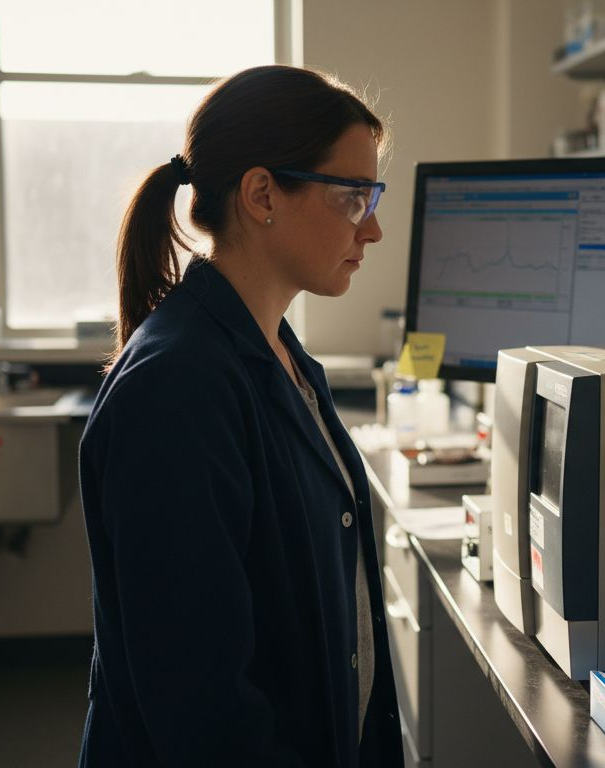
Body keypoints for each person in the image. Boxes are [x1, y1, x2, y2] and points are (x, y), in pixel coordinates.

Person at [77, 65, 402, 767]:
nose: (371, 229)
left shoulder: (275, 352)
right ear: (262, 195)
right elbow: (202, 706)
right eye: (352, 198)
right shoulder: (177, 389)